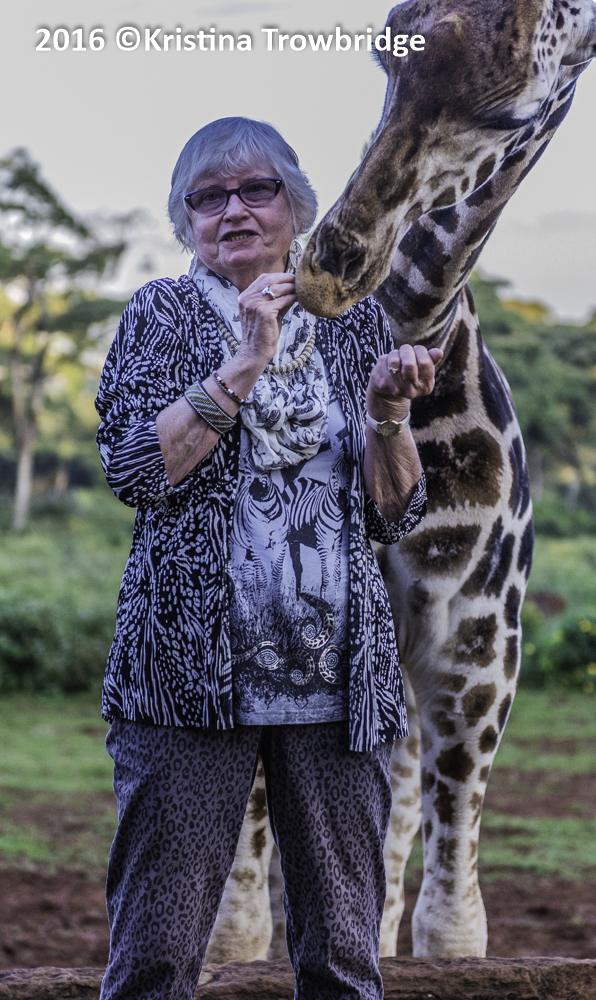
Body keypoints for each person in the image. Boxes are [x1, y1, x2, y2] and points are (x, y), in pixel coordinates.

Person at [95, 116, 441, 1000]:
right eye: (209, 198)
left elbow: (395, 513)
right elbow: (137, 471)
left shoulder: (353, 326)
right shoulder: (162, 315)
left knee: (344, 964)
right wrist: (246, 360)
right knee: (156, 955)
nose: (236, 211)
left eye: (258, 189)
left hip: (338, 686)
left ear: (298, 206)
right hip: (185, 680)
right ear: (186, 222)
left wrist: (389, 417)